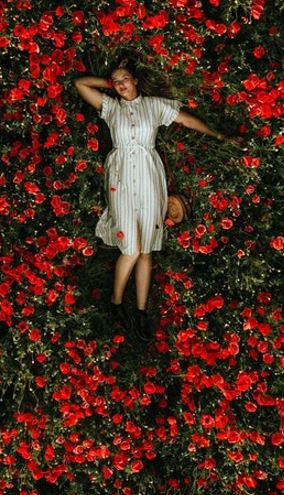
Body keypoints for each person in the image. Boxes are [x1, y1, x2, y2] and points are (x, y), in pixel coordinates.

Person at [74, 60, 238, 340]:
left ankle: (139, 310)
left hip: (151, 177)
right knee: (132, 248)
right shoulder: (111, 107)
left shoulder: (155, 105)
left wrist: (219, 135)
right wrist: (108, 84)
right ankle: (115, 303)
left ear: (136, 80)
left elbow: (186, 119)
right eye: (117, 81)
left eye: (125, 78)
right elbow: (80, 84)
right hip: (122, 178)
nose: (122, 84)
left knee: (146, 247)